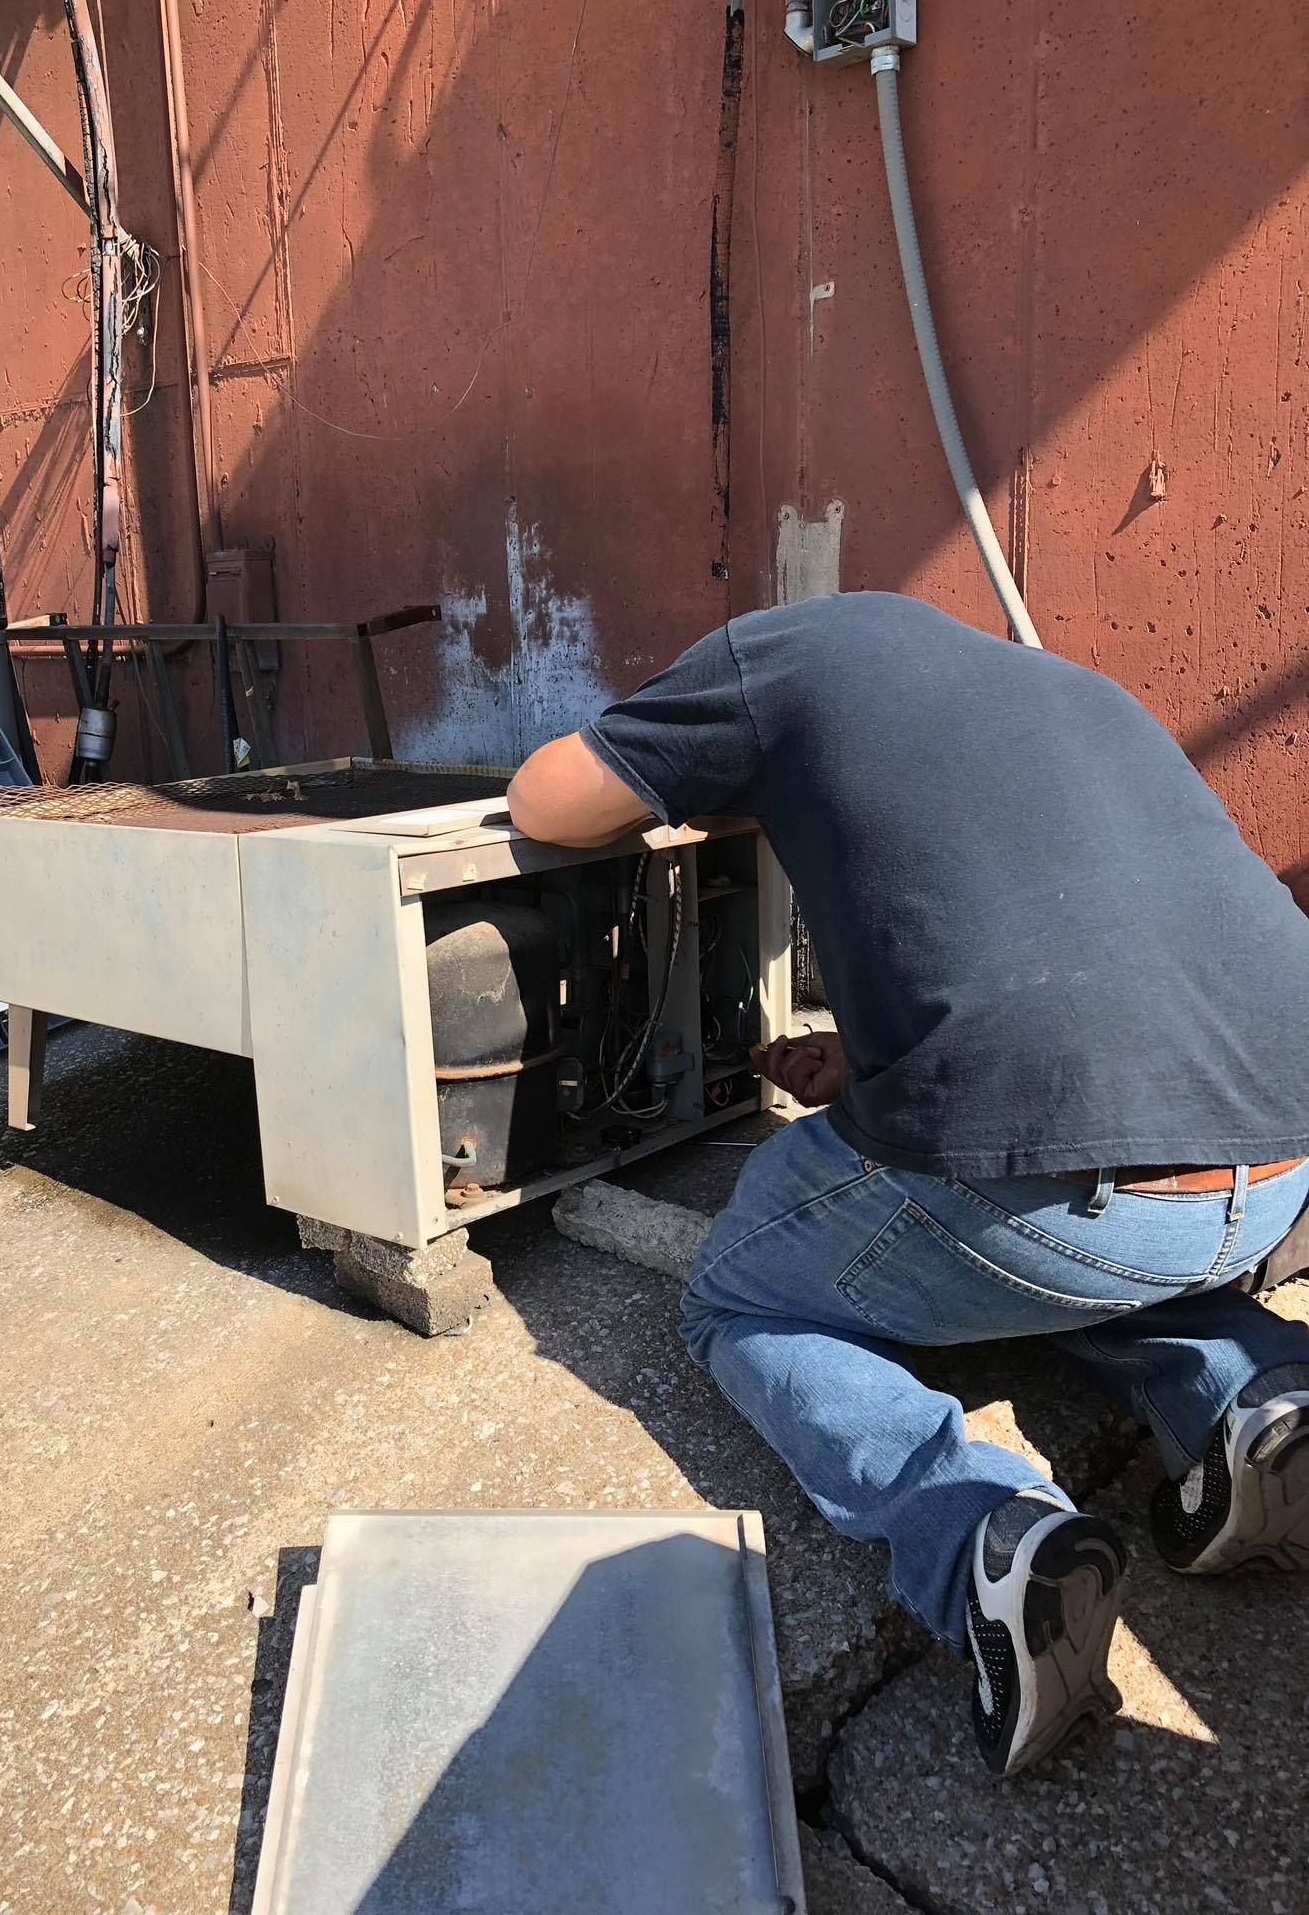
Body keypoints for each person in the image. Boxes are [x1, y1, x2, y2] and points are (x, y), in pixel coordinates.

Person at [506, 592, 1309, 1778]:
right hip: (1279, 1163)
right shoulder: (1074, 686)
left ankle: (981, 1537)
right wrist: (875, 1063)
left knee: (735, 1295)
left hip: (1071, 1197)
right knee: (1076, 1229)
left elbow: (546, 798)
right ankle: (1254, 1390)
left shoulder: (776, 652)